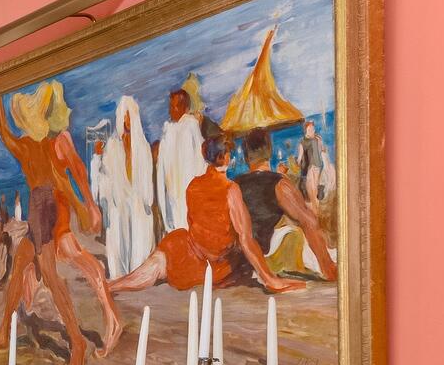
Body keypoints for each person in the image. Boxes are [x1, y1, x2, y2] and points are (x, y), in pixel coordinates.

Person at [0, 82, 118, 365]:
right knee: (21, 264)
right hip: (40, 207)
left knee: (50, 274)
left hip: (44, 209)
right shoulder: (39, 145)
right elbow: (62, 181)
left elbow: (4, 133)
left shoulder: (28, 146)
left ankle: (77, 340)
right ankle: (2, 333)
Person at [109, 126, 306, 300]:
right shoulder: (230, 189)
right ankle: (113, 285)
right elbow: (245, 237)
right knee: (172, 260)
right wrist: (270, 279)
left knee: (160, 259)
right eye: (229, 152)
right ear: (224, 157)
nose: (232, 156)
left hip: (189, 250)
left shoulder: (193, 185)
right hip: (216, 264)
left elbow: (192, 222)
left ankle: (113, 285)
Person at [235, 128, 337, 281]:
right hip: (267, 257)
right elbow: (309, 222)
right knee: (297, 230)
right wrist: (328, 267)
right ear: (269, 151)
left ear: (246, 156)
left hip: (243, 259)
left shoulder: (234, 185)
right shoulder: (278, 184)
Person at [92, 95, 156, 278]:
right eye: (123, 115)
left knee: (139, 252)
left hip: (138, 210)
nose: (126, 120)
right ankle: (120, 278)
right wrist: (97, 158)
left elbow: (146, 185)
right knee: (119, 248)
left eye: (129, 115)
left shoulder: (142, 147)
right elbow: (104, 180)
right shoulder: (112, 146)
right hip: (118, 209)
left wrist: (145, 202)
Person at [154, 82, 207, 237]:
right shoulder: (168, 130)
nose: (172, 110)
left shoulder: (191, 126)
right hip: (172, 191)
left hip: (187, 190)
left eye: (176, 106)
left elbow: (200, 160)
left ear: (185, 107)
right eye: (171, 106)